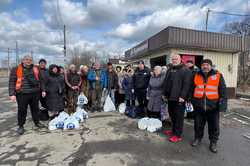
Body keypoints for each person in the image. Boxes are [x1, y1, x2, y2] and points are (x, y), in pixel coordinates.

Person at [190, 59, 227, 153]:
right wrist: (192, 101)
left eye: (207, 65)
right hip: (199, 106)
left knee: (214, 126)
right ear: (201, 66)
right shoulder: (196, 75)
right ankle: (197, 138)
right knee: (198, 125)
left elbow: (223, 91)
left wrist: (222, 106)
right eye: (203, 65)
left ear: (210, 66)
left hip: (213, 107)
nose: (205, 66)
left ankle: (213, 142)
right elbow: (191, 88)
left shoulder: (218, 75)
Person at [9, 55, 46, 135]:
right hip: (22, 94)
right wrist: (12, 94)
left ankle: (37, 122)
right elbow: (12, 81)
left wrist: (43, 90)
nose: (28, 61)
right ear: (23, 60)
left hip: (35, 93)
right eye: (26, 59)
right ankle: (21, 126)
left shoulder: (36, 69)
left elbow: (41, 80)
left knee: (35, 109)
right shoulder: (16, 69)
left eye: (30, 60)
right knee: (22, 110)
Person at [163, 54, 192, 143]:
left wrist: (183, 97)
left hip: (179, 98)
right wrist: (164, 94)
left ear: (180, 59)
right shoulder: (170, 69)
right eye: (173, 59)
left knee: (178, 117)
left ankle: (177, 135)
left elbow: (187, 85)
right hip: (170, 97)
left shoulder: (185, 70)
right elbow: (166, 82)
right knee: (172, 115)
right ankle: (173, 131)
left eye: (176, 59)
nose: (174, 60)